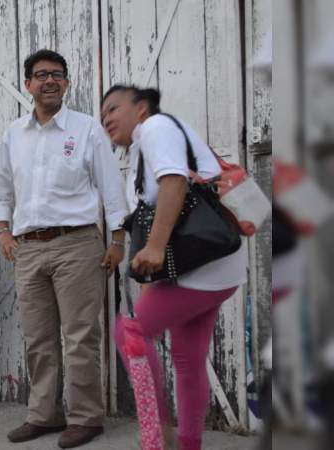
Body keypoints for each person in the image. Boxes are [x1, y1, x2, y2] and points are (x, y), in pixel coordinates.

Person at [0, 49, 128, 448]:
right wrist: (2, 232)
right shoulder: (14, 134)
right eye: (41, 75)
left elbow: (110, 186)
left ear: (66, 83)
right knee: (37, 337)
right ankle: (44, 414)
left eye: (58, 75)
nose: (50, 81)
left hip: (77, 244)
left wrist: (116, 238)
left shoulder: (85, 129)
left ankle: (86, 418)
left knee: (81, 335)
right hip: (28, 249)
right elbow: (0, 190)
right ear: (27, 84)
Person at [101, 85, 247, 450]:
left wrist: (154, 247)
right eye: (102, 115)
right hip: (211, 265)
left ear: (142, 108)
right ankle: (188, 443)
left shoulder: (155, 128)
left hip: (201, 268)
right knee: (187, 359)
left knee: (130, 333)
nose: (107, 119)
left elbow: (174, 182)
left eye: (114, 108)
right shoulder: (144, 147)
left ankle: (155, 439)